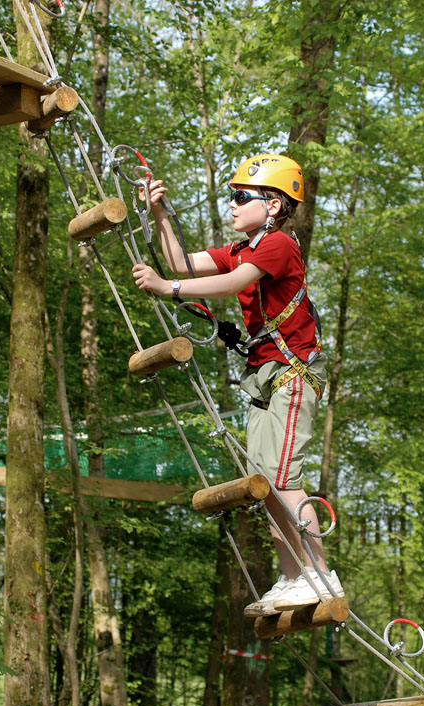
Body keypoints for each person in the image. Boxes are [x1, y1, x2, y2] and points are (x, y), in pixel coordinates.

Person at [132, 153, 344, 616]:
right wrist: (158, 211)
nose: (232, 205)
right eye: (231, 197)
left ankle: (320, 576)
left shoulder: (279, 245)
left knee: (285, 480)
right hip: (264, 378)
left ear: (272, 205)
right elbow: (180, 260)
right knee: (267, 485)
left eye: (240, 197)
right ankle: (294, 578)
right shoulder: (241, 248)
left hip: (292, 377)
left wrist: (168, 288)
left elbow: (232, 284)